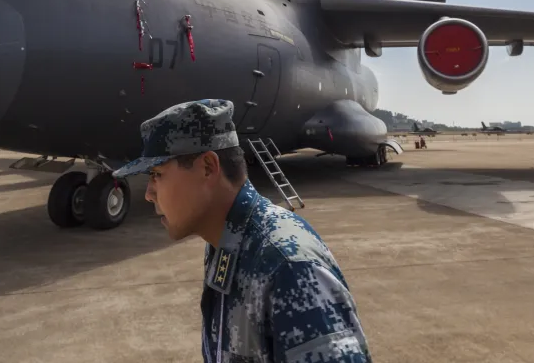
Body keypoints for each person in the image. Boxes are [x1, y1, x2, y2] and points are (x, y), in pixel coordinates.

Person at [113, 99, 371, 363]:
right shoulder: (225, 240)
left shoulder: (287, 268)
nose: (149, 194)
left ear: (208, 167)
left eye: (157, 174)